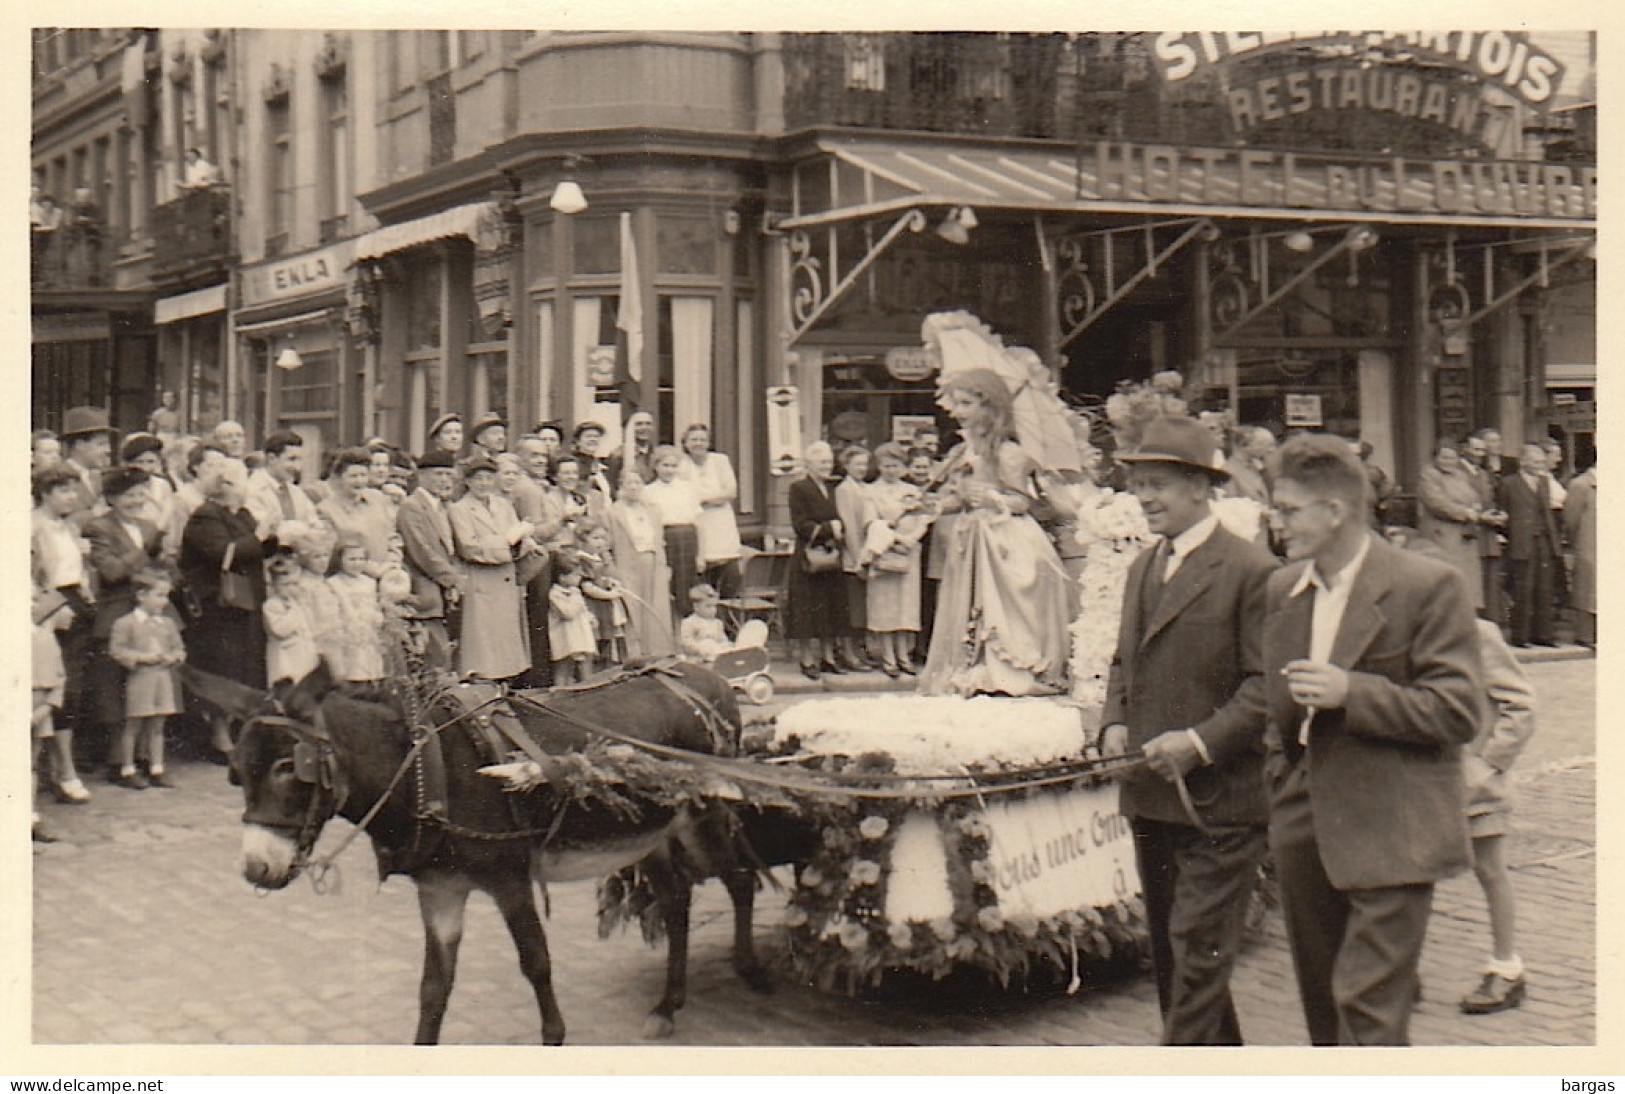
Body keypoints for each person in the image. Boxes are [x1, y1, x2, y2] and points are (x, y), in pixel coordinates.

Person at [1262, 433, 1484, 1045]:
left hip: (1394, 827)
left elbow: (1460, 712)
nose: (1275, 523)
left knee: (1369, 1013)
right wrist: (1282, 786)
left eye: (1287, 510)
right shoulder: (1282, 589)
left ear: (1335, 511)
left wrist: (1350, 693)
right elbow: (1271, 708)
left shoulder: (1427, 585)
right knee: (1324, 1015)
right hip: (1306, 823)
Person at [1099, 416, 1276, 1044]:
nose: (1145, 498)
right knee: (1178, 959)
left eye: (1160, 485)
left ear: (1203, 487)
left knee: (1196, 949)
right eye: (1138, 484)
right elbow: (1124, 659)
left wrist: (1199, 743)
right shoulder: (1145, 566)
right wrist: (1116, 720)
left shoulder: (1251, 569)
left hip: (1220, 801)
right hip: (1152, 792)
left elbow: (1267, 687)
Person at [918, 369, 1072, 698]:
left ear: (988, 408)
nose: (958, 411)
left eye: (966, 403)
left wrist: (991, 497)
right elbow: (959, 497)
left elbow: (1022, 501)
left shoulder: (1009, 452)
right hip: (972, 536)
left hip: (1004, 538)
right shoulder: (962, 451)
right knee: (970, 602)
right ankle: (971, 664)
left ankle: (1006, 667)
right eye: (956, 404)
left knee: (1005, 605)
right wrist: (933, 505)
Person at [181, 458, 270, 756]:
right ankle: (219, 736)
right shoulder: (205, 516)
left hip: (245, 604)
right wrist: (260, 536)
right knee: (222, 668)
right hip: (218, 607)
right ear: (228, 484)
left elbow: (256, 549)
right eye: (245, 478)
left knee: (245, 668)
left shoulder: (242, 514)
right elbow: (222, 554)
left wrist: (282, 540)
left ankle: (237, 731)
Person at [83, 466, 163, 771]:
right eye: (130, 495)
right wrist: (144, 553)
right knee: (115, 690)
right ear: (113, 498)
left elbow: (163, 569)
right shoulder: (99, 528)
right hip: (117, 612)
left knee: (150, 687)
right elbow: (112, 571)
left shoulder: (149, 526)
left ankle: (146, 758)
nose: (138, 500)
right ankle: (119, 761)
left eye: (142, 493)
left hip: (150, 613)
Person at [31, 473, 93, 805]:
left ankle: (61, 770)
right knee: (54, 688)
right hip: (48, 608)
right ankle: (62, 771)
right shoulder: (32, 526)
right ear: (44, 493)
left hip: (74, 604)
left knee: (73, 688)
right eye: (63, 490)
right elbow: (34, 575)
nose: (71, 496)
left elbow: (77, 571)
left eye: (74, 490)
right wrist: (54, 608)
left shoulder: (67, 527)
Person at [448, 456, 534, 681]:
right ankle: (485, 690)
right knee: (484, 649)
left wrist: (518, 541)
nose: (484, 483)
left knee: (506, 648)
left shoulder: (503, 505)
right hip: (482, 582)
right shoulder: (460, 509)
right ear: (467, 481)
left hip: (505, 580)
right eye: (478, 479)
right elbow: (470, 547)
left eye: (488, 478)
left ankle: (506, 689)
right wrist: (506, 543)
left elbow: (520, 537)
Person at [106, 570, 186, 790]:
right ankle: (128, 768)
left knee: (158, 725)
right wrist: (142, 658)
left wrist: (173, 657)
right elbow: (117, 650)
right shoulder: (126, 623)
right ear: (141, 595)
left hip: (162, 678)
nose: (164, 601)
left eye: (166, 595)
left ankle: (156, 767)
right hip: (141, 678)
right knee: (134, 724)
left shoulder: (167, 624)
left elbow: (179, 648)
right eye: (159, 595)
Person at [860, 442, 931, 679]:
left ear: (903, 467)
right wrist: (896, 537)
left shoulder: (913, 490)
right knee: (885, 607)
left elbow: (924, 518)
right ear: (879, 466)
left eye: (896, 465)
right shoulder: (870, 492)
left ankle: (904, 655)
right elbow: (872, 523)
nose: (890, 470)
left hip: (909, 552)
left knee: (906, 607)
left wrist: (912, 538)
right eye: (886, 465)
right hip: (885, 551)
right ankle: (888, 656)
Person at [786, 441, 851, 679]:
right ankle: (806, 658)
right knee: (806, 608)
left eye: (829, 461)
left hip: (831, 555)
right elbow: (800, 524)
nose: (827, 466)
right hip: (809, 556)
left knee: (830, 605)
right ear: (809, 464)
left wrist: (838, 530)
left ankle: (828, 657)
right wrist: (827, 528)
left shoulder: (834, 489)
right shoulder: (798, 488)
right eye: (822, 462)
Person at [395, 450, 464, 673]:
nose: (445, 480)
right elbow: (422, 551)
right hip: (425, 591)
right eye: (439, 474)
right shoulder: (412, 506)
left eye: (448, 475)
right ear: (422, 476)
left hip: (443, 593)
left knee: (444, 656)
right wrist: (452, 579)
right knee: (432, 657)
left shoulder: (443, 506)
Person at [1498, 442, 1563, 647]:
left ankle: (1544, 635)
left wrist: (1554, 542)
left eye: (1542, 462)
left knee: (1544, 589)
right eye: (1535, 462)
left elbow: (1548, 513)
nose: (1539, 465)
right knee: (1523, 590)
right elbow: (1503, 512)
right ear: (1523, 461)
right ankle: (1521, 636)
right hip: (1521, 542)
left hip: (1544, 540)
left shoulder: (1544, 482)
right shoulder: (1508, 483)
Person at [606, 469, 676, 659]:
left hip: (653, 561)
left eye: (638, 483)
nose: (634, 487)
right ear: (621, 486)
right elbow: (607, 544)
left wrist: (664, 564)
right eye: (630, 483)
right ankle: (636, 654)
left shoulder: (652, 509)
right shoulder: (613, 512)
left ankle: (658, 652)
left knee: (655, 606)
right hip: (628, 563)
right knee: (634, 606)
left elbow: (660, 541)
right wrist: (612, 570)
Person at [1417, 439, 1492, 613]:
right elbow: (1437, 503)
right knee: (1446, 581)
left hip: (1464, 535)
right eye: (1444, 458)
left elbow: (1473, 496)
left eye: (1452, 458)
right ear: (1435, 458)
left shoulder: (1460, 475)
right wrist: (1465, 512)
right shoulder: (1429, 474)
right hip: (1441, 534)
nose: (1449, 462)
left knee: (1467, 582)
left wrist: (1475, 507)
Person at [675, 422, 745, 600]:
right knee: (702, 568)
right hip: (697, 520)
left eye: (702, 439)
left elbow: (731, 491)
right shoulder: (681, 464)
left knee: (728, 567)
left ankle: (727, 613)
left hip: (721, 521)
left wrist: (704, 500)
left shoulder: (720, 460)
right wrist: (712, 499)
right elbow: (681, 493)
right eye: (693, 440)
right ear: (685, 443)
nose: (698, 443)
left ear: (708, 442)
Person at [642, 444, 706, 623]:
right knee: (667, 586)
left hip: (688, 539)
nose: (669, 470)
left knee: (687, 587)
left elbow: (698, 523)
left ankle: (687, 629)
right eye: (665, 465)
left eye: (673, 466)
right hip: (665, 539)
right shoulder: (648, 491)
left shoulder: (687, 488)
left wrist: (701, 555)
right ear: (656, 466)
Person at [318, 447, 397, 574]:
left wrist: (393, 563)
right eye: (353, 476)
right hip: (352, 579)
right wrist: (373, 570)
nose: (359, 481)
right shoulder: (326, 510)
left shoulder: (379, 499)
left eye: (363, 475)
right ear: (339, 478)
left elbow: (393, 537)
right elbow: (332, 552)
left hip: (389, 574)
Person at [833, 444, 873, 671]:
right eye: (857, 464)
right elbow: (849, 526)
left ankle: (860, 650)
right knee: (852, 608)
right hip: (853, 556)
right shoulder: (845, 490)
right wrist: (859, 559)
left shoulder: (864, 488)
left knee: (862, 608)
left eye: (864, 464)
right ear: (846, 466)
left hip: (868, 552)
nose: (861, 468)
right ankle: (848, 653)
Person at [327, 534, 386, 685]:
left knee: (370, 668)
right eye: (351, 559)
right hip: (347, 633)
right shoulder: (333, 583)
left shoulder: (369, 583)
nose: (357, 563)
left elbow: (374, 605)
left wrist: (377, 617)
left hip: (368, 633)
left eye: (361, 559)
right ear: (340, 560)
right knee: (352, 670)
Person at [245, 431, 321, 538]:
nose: (297, 467)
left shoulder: (296, 492)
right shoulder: (251, 490)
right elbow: (266, 531)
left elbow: (316, 526)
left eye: (299, 460)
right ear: (272, 459)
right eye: (292, 459)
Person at [263, 554, 320, 684]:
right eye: (286, 585)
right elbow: (280, 630)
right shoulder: (271, 605)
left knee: (303, 681)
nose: (291, 588)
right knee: (285, 682)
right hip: (284, 654)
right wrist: (292, 611)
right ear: (274, 586)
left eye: (295, 584)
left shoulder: (297, 602)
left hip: (302, 652)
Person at [58, 405, 117, 524]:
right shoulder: (58, 475)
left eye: (107, 444)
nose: (108, 450)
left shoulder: (98, 477)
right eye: (101, 444)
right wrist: (95, 513)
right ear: (80, 445)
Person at [547, 559, 597, 686]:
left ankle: (588, 688)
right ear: (562, 577)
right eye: (575, 575)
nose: (579, 578)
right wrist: (575, 597)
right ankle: (560, 691)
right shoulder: (555, 594)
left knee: (585, 663)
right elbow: (568, 612)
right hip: (566, 638)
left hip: (581, 635)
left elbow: (583, 609)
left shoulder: (576, 592)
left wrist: (591, 618)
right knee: (564, 668)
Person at [1563, 461, 1597, 647]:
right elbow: (1571, 519)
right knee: (1587, 588)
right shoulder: (1580, 485)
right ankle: (1585, 635)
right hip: (1588, 542)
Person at [678, 583, 732, 662]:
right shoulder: (690, 622)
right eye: (708, 606)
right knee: (706, 645)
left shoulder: (717, 623)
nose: (713, 610)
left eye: (714, 606)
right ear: (696, 607)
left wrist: (725, 645)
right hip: (698, 657)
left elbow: (722, 639)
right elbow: (686, 642)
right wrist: (700, 648)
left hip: (715, 654)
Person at [1223, 425, 1274, 506]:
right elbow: (1230, 504)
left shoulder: (1257, 466)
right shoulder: (1228, 471)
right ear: (1244, 446)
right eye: (1259, 444)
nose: (1264, 448)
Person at [608, 408, 657, 490]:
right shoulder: (618, 455)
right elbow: (611, 486)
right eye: (639, 424)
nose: (644, 428)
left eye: (648, 424)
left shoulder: (657, 454)